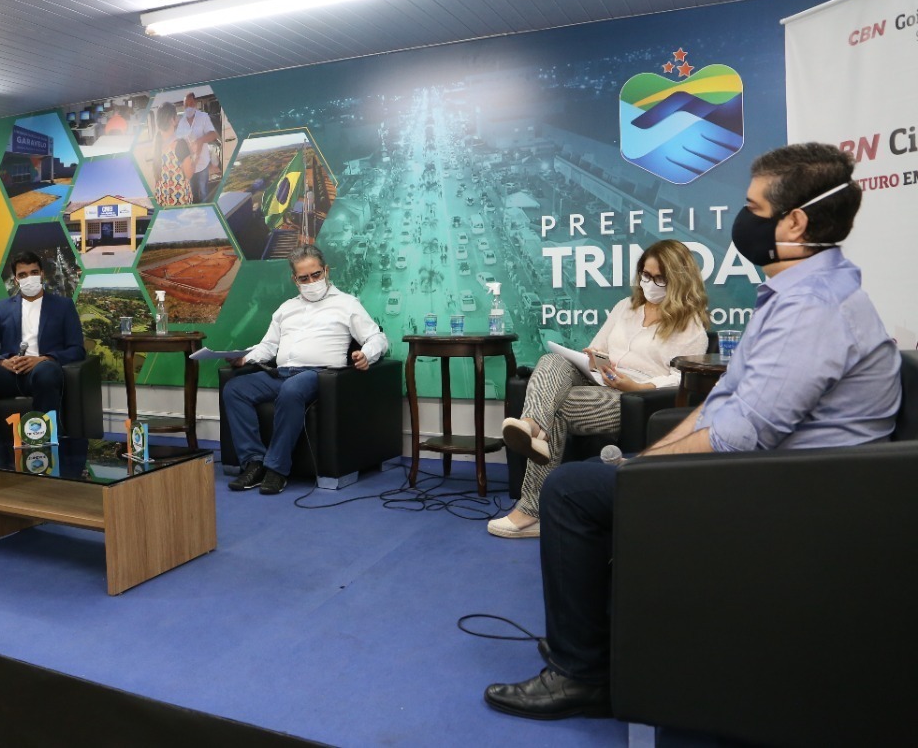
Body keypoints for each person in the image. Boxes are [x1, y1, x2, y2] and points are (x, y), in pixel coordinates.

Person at [483, 143, 902, 720]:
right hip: (777, 475)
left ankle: (579, 673)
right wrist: (641, 465)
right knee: (587, 460)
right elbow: (717, 411)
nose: (743, 219)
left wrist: (643, 472)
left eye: (753, 208)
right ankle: (598, 642)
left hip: (796, 498)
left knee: (571, 491)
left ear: (795, 223)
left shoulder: (812, 308)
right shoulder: (795, 297)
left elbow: (739, 435)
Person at [491, 240, 709, 538]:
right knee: (552, 359)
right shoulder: (626, 307)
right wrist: (593, 358)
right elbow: (599, 346)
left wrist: (638, 385)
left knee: (557, 408)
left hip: (636, 398)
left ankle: (531, 507)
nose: (649, 283)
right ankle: (532, 426)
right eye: (645, 275)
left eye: (659, 278)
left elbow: (680, 377)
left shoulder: (691, 326)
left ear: (679, 279)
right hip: (600, 380)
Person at [223, 245, 388, 495]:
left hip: (318, 376)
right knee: (235, 388)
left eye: (316, 275)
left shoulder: (347, 304)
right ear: (295, 280)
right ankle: (254, 463)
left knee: (292, 389)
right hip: (281, 374)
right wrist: (246, 358)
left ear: (326, 271)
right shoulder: (286, 308)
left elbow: (377, 338)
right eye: (304, 278)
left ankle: (277, 469)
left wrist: (366, 354)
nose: (311, 282)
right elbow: (268, 346)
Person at [0, 251, 85, 449]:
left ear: (42, 274)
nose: (29, 278)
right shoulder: (2, 308)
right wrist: (3, 362)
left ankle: (43, 444)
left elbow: (77, 349)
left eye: (34, 272)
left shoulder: (63, 306)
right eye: (23, 275)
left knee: (47, 372)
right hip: (10, 373)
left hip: (42, 371)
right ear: (16, 280)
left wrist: (44, 359)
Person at [175, 91, 219, 203]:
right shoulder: (181, 122)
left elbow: (213, 135)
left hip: (202, 164)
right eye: (186, 105)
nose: (188, 107)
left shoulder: (203, 117)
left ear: (195, 103)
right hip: (189, 165)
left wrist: (200, 140)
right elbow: (178, 141)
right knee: (192, 193)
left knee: (204, 193)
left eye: (190, 104)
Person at [152, 102, 194, 207]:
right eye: (176, 116)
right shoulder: (180, 144)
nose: (178, 118)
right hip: (179, 201)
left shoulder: (157, 144)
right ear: (172, 120)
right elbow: (189, 174)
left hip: (162, 198)